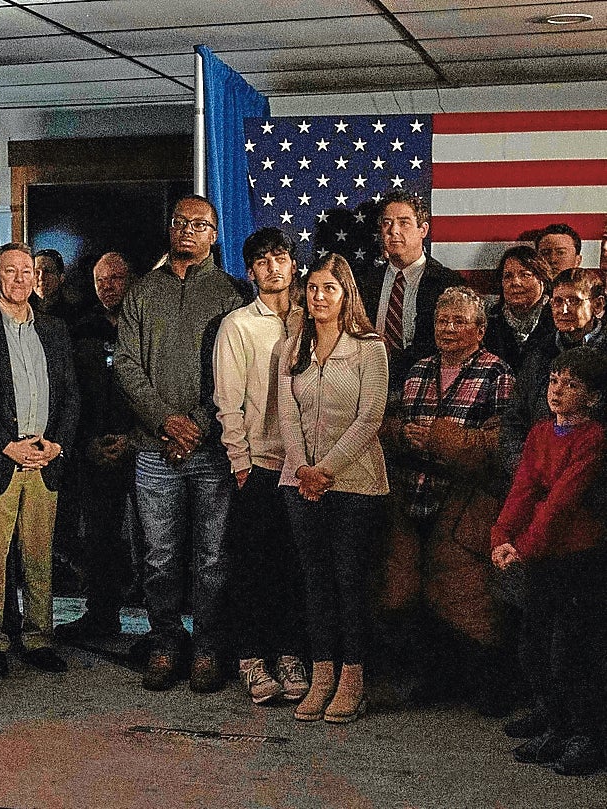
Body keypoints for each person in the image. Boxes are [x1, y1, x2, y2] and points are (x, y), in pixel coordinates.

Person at [115, 194, 248, 693]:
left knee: (212, 556)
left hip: (211, 450)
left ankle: (209, 647)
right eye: (180, 223)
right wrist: (166, 422)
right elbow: (125, 364)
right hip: (154, 450)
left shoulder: (231, 294)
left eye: (200, 225)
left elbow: (235, 376)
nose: (188, 231)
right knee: (159, 555)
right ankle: (167, 641)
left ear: (215, 234)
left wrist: (195, 425)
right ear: (169, 229)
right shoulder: (142, 292)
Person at [379, 288, 515, 713]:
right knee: (411, 591)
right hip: (411, 495)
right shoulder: (417, 369)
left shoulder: (498, 373)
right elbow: (388, 421)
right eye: (442, 321)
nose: (449, 329)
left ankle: (493, 687)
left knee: (469, 597)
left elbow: (505, 445)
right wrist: (401, 434)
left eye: (460, 321)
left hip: (465, 501)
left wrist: (447, 440)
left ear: (480, 328)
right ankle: (432, 679)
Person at [278, 253, 389, 723]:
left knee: (349, 581)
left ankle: (352, 679)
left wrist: (326, 470)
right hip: (299, 483)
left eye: (330, 288)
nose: (319, 296)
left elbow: (370, 418)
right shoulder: (293, 348)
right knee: (315, 581)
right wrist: (303, 469)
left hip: (355, 484)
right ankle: (322, 675)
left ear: (346, 296)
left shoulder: (369, 348)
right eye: (313, 288)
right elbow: (286, 414)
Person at [493, 347, 607, 776]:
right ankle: (554, 721)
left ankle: (585, 734)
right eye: (555, 380)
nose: (557, 390)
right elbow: (523, 488)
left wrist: (522, 546)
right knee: (534, 643)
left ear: (593, 398)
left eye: (572, 384)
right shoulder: (541, 432)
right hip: (541, 554)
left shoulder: (593, 438)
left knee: (572, 650)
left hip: (577, 557)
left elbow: (560, 502)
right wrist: (501, 535)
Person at [0, 242, 79, 677]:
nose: (20, 279)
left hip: (45, 459)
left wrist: (57, 444)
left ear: (38, 278)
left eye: (28, 271)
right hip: (0, 459)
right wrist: (4, 444)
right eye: (10, 271)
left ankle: (38, 638)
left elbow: (70, 395)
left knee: (38, 556)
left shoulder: (54, 329)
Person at [212, 228, 309, 704]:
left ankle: (290, 654)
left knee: (294, 564)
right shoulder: (238, 325)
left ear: (294, 265)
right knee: (253, 565)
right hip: (260, 463)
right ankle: (251, 659)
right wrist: (240, 462)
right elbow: (228, 402)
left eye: (281, 258)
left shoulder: (313, 320)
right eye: (263, 261)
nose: (273, 267)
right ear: (250, 272)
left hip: (307, 465)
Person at [57, 252, 137, 639]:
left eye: (116, 279)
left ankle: (161, 628)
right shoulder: (80, 330)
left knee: (150, 543)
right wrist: (85, 442)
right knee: (98, 539)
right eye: (101, 280)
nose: (108, 287)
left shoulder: (144, 327)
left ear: (131, 281)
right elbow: (70, 393)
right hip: (93, 450)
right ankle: (101, 613)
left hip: (143, 448)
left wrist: (134, 439)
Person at [501, 267, 607, 475]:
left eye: (574, 301)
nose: (563, 310)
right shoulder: (537, 352)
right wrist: (524, 469)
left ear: (598, 305)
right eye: (557, 302)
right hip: (535, 475)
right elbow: (514, 419)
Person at [357, 190, 462, 390]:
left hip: (428, 387)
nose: (393, 230)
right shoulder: (365, 282)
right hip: (368, 384)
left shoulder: (446, 283)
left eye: (403, 222)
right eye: (387, 223)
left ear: (423, 230)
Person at [483, 246, 555, 373]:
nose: (515, 282)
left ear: (542, 280)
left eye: (525, 275)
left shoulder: (557, 317)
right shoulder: (489, 321)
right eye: (508, 276)